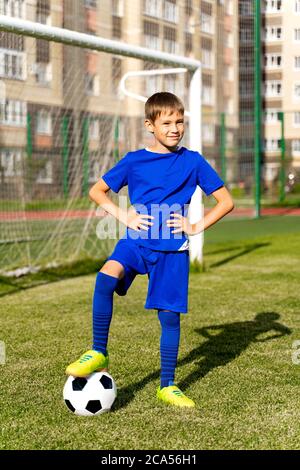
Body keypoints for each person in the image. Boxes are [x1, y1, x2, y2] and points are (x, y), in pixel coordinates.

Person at [66, 92, 234, 408]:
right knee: (105, 278)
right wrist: (123, 214)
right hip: (136, 241)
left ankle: (167, 386)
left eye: (179, 122)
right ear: (149, 125)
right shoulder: (134, 161)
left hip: (172, 250)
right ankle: (98, 350)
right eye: (167, 122)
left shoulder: (193, 161)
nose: (175, 128)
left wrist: (195, 226)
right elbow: (96, 191)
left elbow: (226, 201)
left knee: (169, 318)